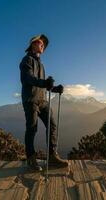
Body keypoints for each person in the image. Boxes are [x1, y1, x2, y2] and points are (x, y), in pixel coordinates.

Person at [19, 34, 68, 171]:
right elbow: (28, 79)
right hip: (30, 101)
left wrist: (54, 88)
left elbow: (43, 85)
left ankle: (52, 157)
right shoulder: (26, 60)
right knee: (32, 128)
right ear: (33, 44)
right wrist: (44, 83)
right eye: (40, 43)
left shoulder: (41, 64)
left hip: (42, 100)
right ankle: (31, 159)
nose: (43, 46)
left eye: (43, 45)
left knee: (52, 125)